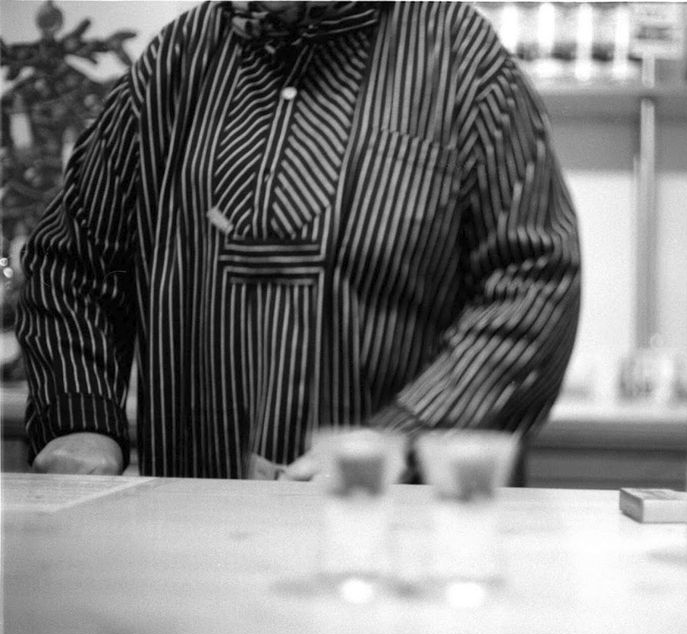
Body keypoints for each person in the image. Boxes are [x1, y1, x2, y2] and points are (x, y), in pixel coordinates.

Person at [15, 1, 581, 480]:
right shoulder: (174, 64)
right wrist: (79, 416)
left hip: (398, 534)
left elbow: (535, 280)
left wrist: (399, 440)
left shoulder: (461, 58)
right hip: (196, 541)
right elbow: (74, 262)